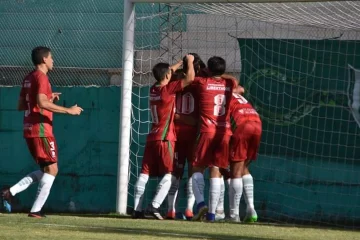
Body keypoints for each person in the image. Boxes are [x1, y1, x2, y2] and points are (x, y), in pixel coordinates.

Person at [1, 46, 83, 218]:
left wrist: (47, 98)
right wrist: (69, 110)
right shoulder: (42, 77)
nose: (53, 61)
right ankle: (35, 210)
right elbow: (41, 103)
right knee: (52, 170)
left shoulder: (29, 77)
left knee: (47, 170)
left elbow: (21, 106)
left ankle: (10, 192)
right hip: (41, 131)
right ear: (44, 59)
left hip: (29, 129)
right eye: (51, 57)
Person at [132, 55, 195, 220]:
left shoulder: (153, 89)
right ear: (168, 76)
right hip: (165, 138)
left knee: (144, 174)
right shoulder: (169, 90)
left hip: (151, 137)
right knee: (170, 173)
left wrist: (175, 65)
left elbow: (165, 74)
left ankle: (137, 210)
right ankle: (154, 206)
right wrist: (188, 62)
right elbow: (190, 78)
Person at [191, 56, 239, 222]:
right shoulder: (229, 84)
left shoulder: (202, 83)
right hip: (225, 132)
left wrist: (196, 66)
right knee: (216, 170)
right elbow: (234, 79)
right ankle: (212, 214)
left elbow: (190, 78)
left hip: (207, 131)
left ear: (209, 70)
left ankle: (200, 204)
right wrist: (219, 75)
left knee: (197, 168)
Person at [166, 53, 206, 220]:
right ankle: (188, 208)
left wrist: (182, 63)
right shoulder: (200, 84)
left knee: (177, 172)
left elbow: (166, 72)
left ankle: (172, 209)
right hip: (192, 134)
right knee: (191, 172)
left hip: (178, 134)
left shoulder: (174, 82)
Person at [228, 93, 262, 222]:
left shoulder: (221, 92)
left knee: (235, 170)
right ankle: (251, 209)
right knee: (243, 167)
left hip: (242, 124)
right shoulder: (237, 93)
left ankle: (234, 215)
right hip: (257, 122)